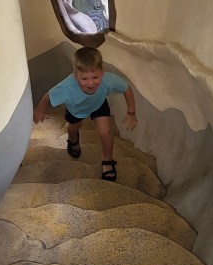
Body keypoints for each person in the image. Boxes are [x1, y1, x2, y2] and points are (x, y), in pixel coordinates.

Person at [33, 47, 137, 181]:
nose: (90, 83)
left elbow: (126, 88)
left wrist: (131, 112)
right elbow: (49, 95)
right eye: (84, 78)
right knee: (73, 128)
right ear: (76, 75)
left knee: (105, 132)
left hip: (98, 105)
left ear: (102, 72)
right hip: (76, 109)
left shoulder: (107, 79)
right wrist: (40, 110)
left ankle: (108, 161)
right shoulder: (67, 87)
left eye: (95, 77)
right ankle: (73, 140)